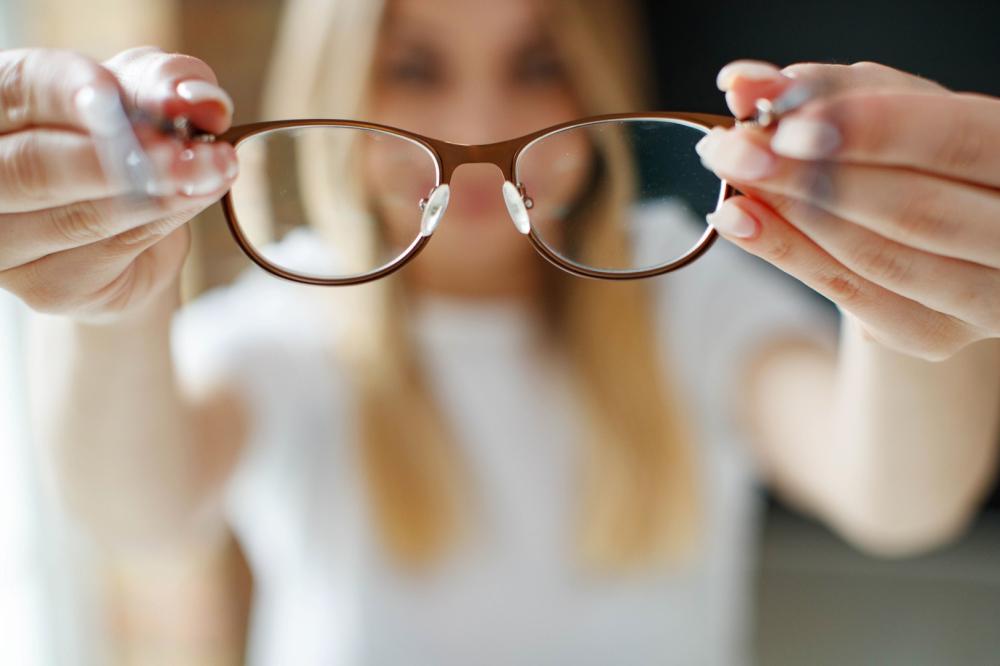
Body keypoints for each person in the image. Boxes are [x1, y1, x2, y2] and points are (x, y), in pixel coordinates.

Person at [2, 0, 998, 664]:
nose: (480, 126)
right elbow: (133, 508)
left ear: (596, 83)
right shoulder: (284, 330)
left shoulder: (687, 292)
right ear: (338, 89)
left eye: (534, 66)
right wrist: (108, 301)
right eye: (416, 69)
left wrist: (910, 300)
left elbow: (898, 497)